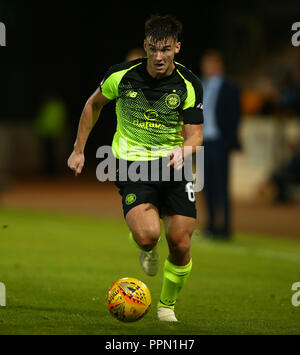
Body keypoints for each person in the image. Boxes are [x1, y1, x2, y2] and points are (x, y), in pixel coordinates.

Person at [67, 14, 203, 322]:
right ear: (145, 46)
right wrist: (78, 150)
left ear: (177, 48)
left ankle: (167, 307)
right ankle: (145, 247)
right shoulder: (122, 76)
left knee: (181, 241)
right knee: (148, 236)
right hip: (131, 164)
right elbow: (93, 104)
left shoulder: (189, 84)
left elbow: (195, 134)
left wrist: (185, 150)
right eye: (153, 49)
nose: (158, 56)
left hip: (172, 165)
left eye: (165, 49)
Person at [200, 50, 241, 240]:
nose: (208, 67)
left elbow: (235, 116)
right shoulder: (200, 85)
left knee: (221, 186)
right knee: (206, 186)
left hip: (219, 141)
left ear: (220, 65)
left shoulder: (229, 87)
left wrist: (227, 141)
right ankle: (210, 226)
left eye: (212, 64)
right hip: (202, 141)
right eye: (206, 64)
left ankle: (224, 228)